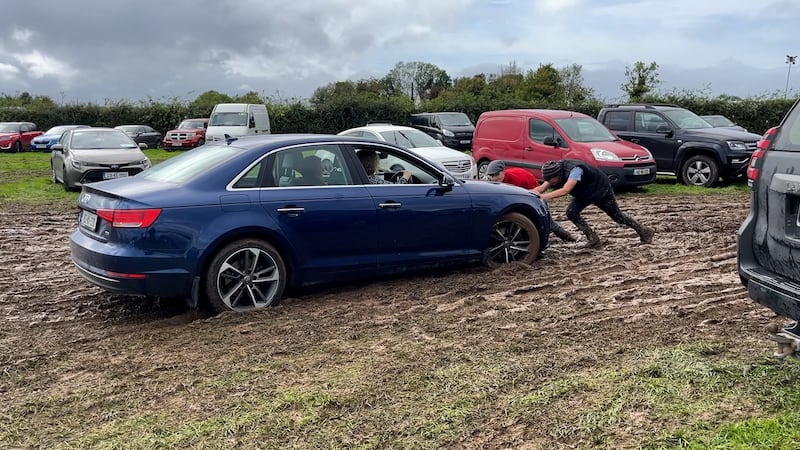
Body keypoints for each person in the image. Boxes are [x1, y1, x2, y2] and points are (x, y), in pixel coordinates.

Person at [538, 159, 654, 248]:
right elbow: (542, 188)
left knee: (617, 217)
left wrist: (543, 197)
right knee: (571, 212)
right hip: (584, 193)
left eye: (550, 180)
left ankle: (644, 231)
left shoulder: (575, 171)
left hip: (601, 190)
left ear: (557, 175)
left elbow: (565, 190)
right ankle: (593, 238)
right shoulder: (554, 174)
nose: (549, 182)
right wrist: (528, 194)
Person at [485, 160, 577, 243]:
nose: (494, 178)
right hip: (520, 196)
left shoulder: (517, 178)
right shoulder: (496, 182)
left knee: (547, 222)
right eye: (491, 175)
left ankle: (567, 237)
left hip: (533, 194)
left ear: (503, 171)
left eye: (496, 175)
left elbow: (527, 195)